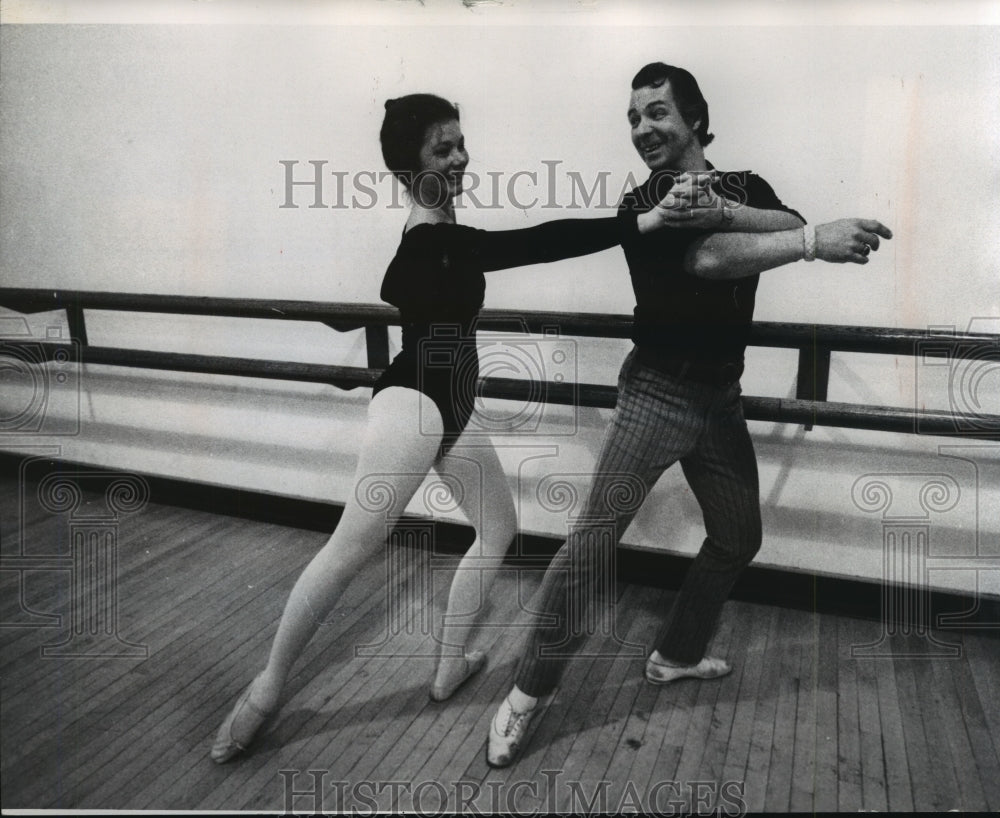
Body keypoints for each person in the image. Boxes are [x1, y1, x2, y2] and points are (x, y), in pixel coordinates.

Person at [210, 92, 698, 763]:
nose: (462, 155)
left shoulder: (434, 233)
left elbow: (404, 285)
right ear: (409, 168)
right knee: (350, 549)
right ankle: (264, 692)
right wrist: (637, 224)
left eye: (461, 142)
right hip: (412, 405)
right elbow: (535, 243)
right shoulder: (435, 239)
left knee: (497, 528)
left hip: (452, 409)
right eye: (443, 148)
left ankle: (448, 667)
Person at [486, 62, 893, 767]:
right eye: (634, 118)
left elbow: (788, 220)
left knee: (737, 537)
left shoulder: (745, 187)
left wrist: (764, 221)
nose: (643, 128)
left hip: (719, 402)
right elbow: (711, 259)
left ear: (695, 119)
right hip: (655, 395)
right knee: (590, 545)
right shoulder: (644, 200)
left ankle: (675, 654)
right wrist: (805, 244)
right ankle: (527, 693)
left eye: (656, 112)